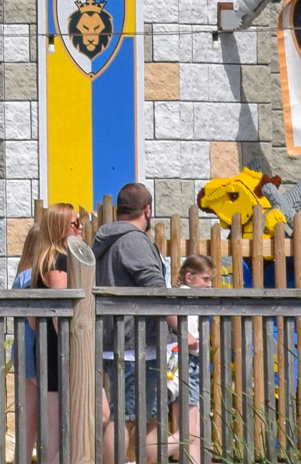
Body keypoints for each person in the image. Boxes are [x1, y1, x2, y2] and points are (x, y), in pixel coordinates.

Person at [91, 184, 170, 462]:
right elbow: (155, 287)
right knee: (124, 417)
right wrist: (178, 327)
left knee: (147, 416)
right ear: (147, 210)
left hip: (120, 343)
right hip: (134, 346)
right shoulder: (133, 241)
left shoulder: (107, 241)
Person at [11, 205, 78, 462]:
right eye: (75, 224)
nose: (80, 228)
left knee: (30, 419)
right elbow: (57, 316)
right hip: (47, 353)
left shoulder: (28, 275)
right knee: (59, 424)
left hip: (29, 352)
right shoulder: (55, 266)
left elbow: (29, 319)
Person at [173, 255, 215, 464]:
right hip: (187, 363)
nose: (209, 285)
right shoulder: (186, 298)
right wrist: (198, 345)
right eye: (205, 279)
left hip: (191, 363)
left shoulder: (191, 298)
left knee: (195, 429)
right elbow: (188, 338)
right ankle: (149, 452)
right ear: (189, 278)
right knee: (188, 431)